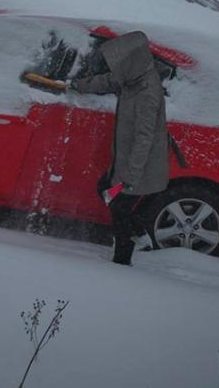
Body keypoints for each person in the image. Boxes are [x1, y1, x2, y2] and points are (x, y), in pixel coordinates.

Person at [68, 31, 169, 266]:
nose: (117, 70)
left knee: (120, 210)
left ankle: (121, 264)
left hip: (139, 166)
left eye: (120, 64)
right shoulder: (133, 78)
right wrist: (77, 85)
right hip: (126, 161)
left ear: (132, 62)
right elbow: (108, 81)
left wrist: (129, 178)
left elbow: (144, 138)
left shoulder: (148, 93)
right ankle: (140, 234)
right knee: (106, 190)